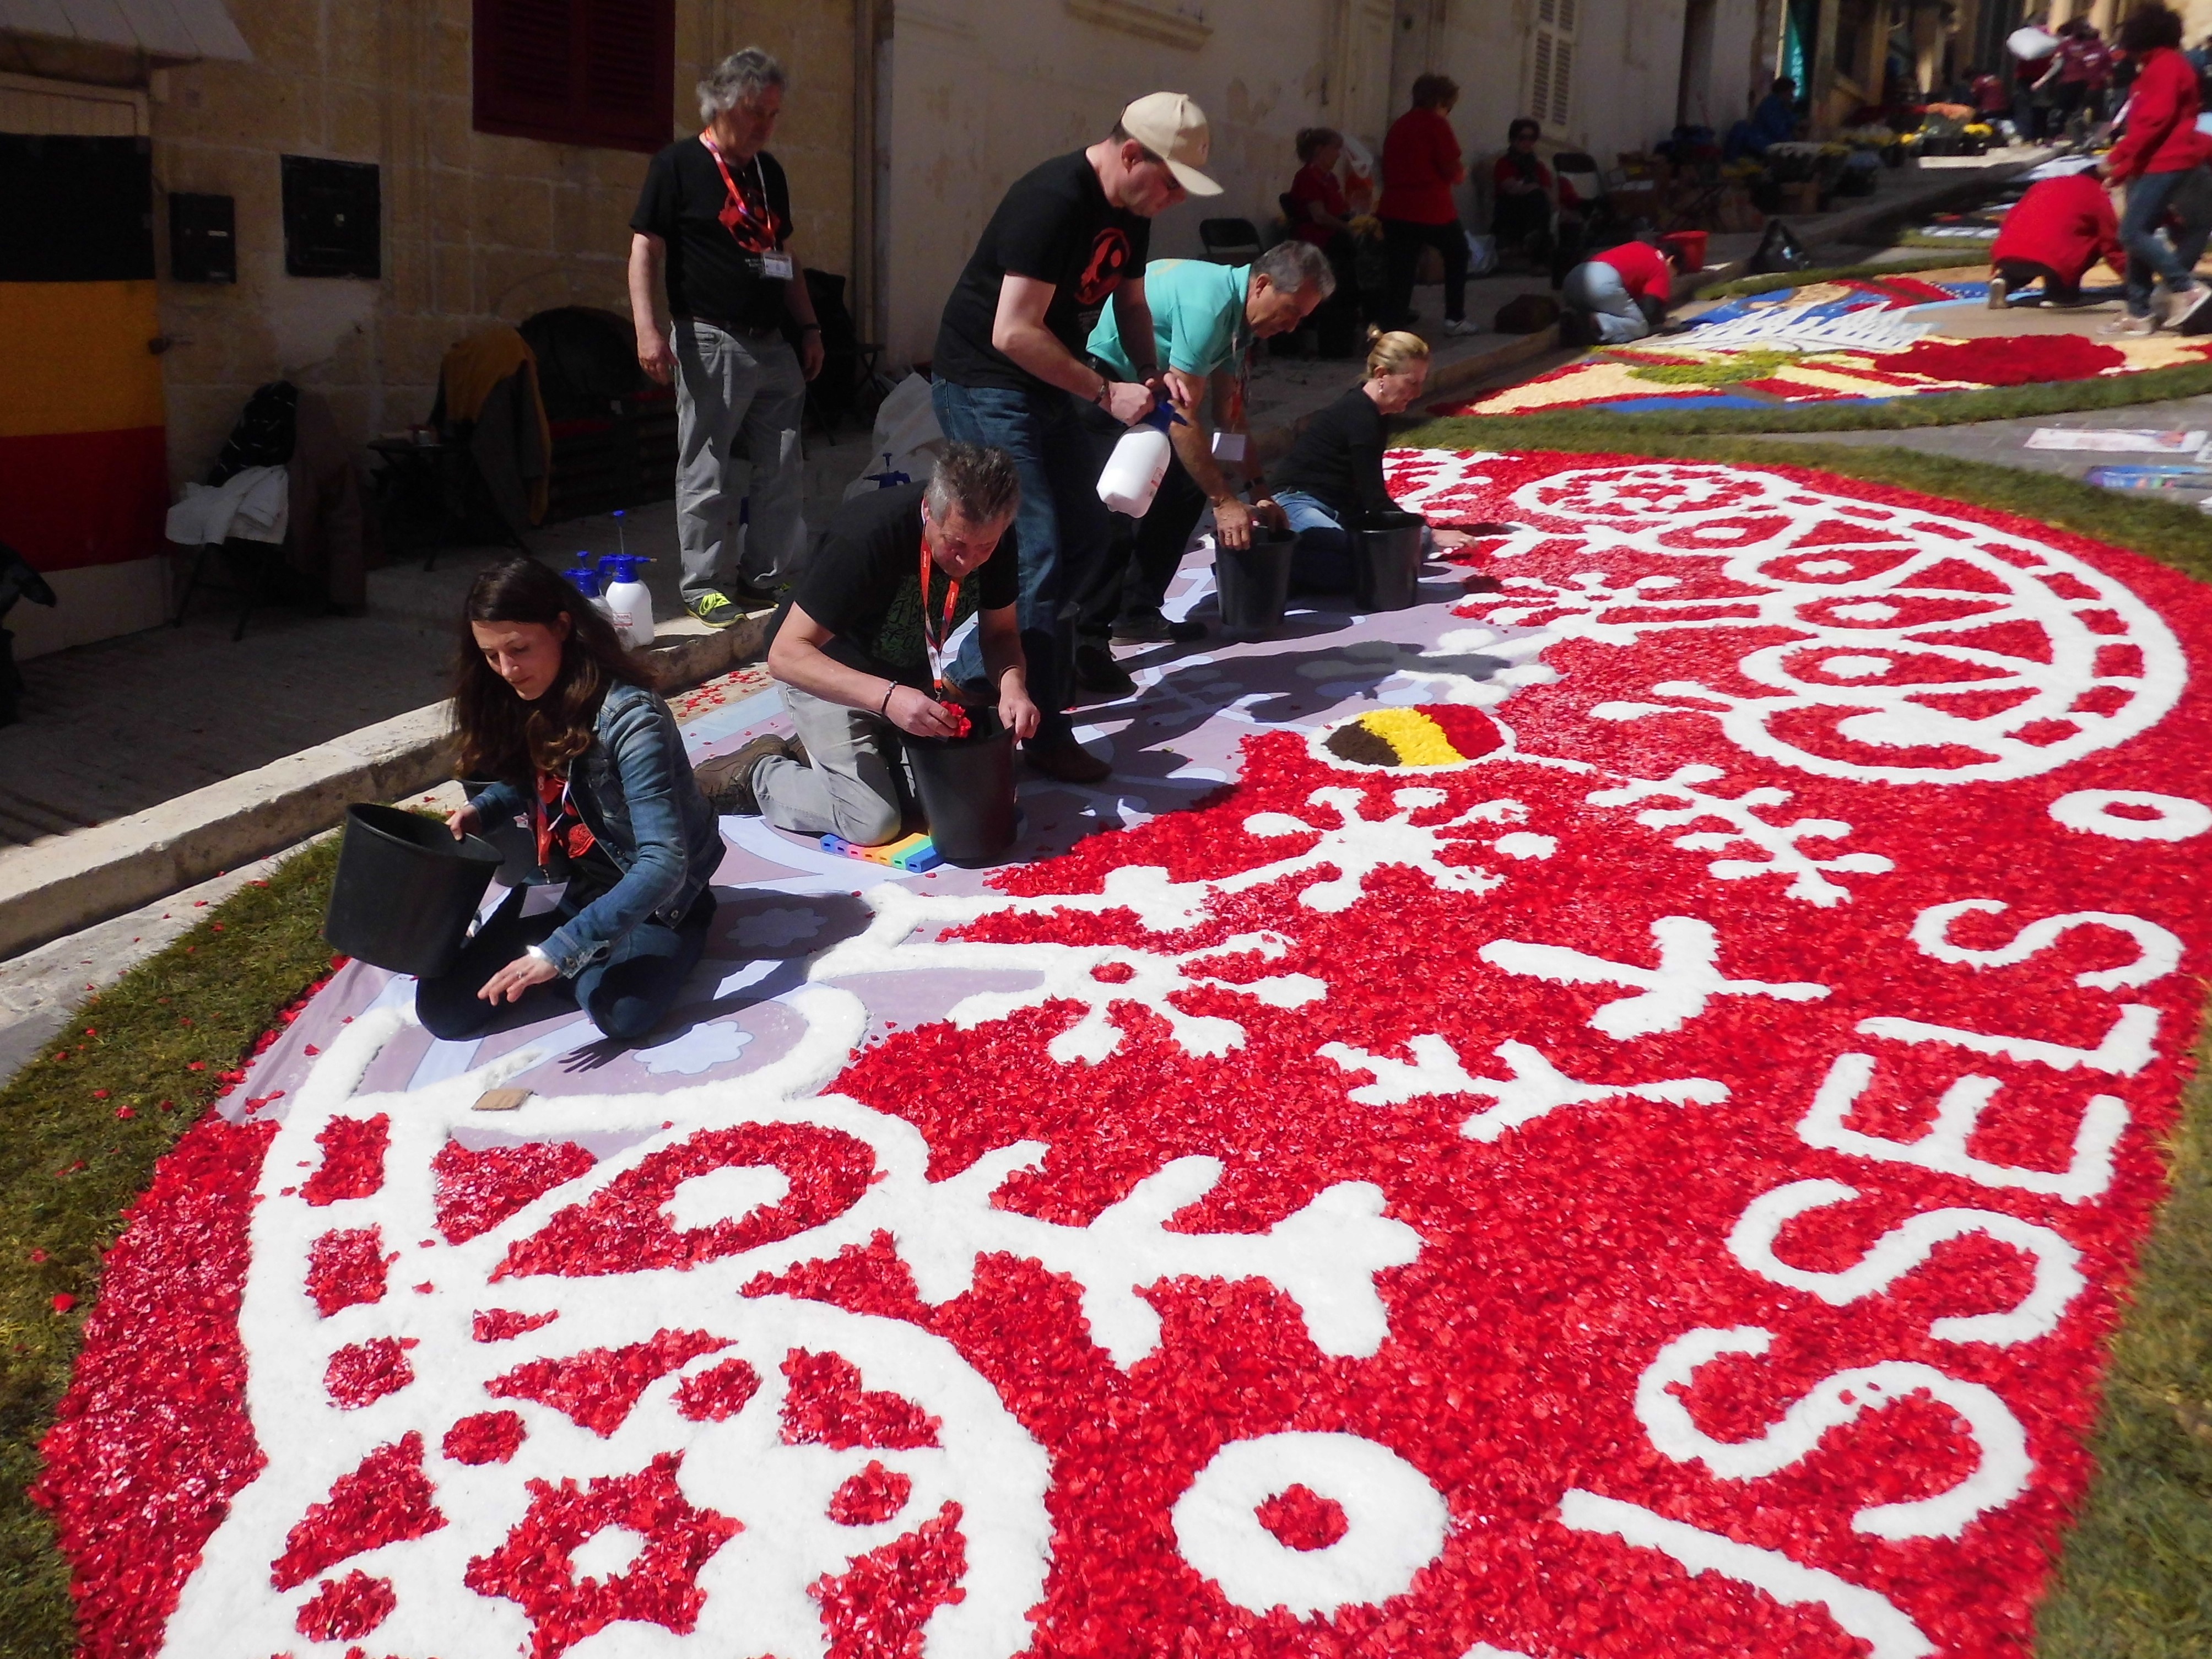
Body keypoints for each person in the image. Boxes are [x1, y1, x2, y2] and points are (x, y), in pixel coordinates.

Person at [931, 93, 1218, 785]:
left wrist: (1150, 371)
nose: (1175, 199)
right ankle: (1043, 727)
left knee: (1089, 533)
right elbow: (1012, 331)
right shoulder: (1052, 198)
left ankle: (982, 676)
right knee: (1040, 550)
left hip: (1047, 384)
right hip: (986, 383)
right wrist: (1100, 389)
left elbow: (1131, 299)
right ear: (1130, 155)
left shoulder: (1130, 206)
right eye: (1171, 182)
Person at [421, 561, 725, 1044]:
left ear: (562, 627)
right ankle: (578, 955)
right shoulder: (525, 693)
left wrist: (560, 952)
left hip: (651, 897)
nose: (507, 670)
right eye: (491, 655)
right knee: (444, 1011)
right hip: (567, 883)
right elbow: (543, 781)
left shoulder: (631, 716)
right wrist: (486, 809)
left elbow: (663, 863)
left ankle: (625, 945)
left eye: (519, 649)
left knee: (623, 1013)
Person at [715, 444, 1039, 847]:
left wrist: (1013, 687)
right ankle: (757, 773)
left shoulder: (996, 538)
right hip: (826, 676)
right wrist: (888, 698)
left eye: (984, 548)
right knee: (872, 820)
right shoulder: (867, 533)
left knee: (954, 792)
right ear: (929, 511)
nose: (967, 562)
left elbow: (1000, 635)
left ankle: (829, 753)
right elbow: (785, 654)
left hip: (904, 685)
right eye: (956, 544)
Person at [1073, 240, 1334, 678]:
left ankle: (1136, 610)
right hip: (1106, 390)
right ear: (1263, 285)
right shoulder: (1210, 307)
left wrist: (1256, 489)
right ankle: (1086, 643)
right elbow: (1181, 416)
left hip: (1151, 397)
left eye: (1301, 319)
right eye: (1290, 311)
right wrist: (1224, 501)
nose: (1291, 327)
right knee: (1115, 511)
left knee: (1186, 486)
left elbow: (1227, 417)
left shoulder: (1238, 322)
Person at [629, 49, 824, 629]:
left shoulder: (769, 173)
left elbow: (784, 255)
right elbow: (645, 249)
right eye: (753, 112)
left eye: (772, 113)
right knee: (707, 466)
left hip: (772, 341)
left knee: (782, 463)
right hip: (710, 337)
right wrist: (647, 329)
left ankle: (767, 572)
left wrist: (808, 326)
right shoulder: (678, 165)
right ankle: (704, 582)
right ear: (719, 104)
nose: (764, 125)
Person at [1267, 329, 1432, 592]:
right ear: (1381, 375)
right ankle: (1269, 564)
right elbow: (1374, 499)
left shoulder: (1377, 412)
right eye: (1411, 382)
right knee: (1369, 564)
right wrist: (1431, 532)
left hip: (1340, 509)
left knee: (1411, 543)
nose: (1418, 392)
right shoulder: (1361, 415)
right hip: (1297, 502)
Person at [2100, 3, 2212, 335]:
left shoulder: (2164, 67)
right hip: (2157, 160)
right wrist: (2122, 170)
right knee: (2142, 233)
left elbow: (2154, 121)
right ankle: (2139, 311)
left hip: (2166, 160)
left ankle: (2184, 286)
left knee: (2132, 233)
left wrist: (2119, 155)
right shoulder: (2158, 67)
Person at [1379, 74, 1477, 334]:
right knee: (1457, 252)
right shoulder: (1436, 125)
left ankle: (1392, 325)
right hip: (1430, 208)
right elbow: (1451, 170)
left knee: (1401, 268)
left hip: (1394, 207)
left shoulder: (1399, 125)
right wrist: (1462, 174)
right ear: (1442, 100)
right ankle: (1454, 317)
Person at [1987, 169, 2123, 306]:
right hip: (2053, 258)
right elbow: (2110, 242)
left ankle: (2004, 280)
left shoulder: (2044, 185)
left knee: (2030, 258)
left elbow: (2010, 218)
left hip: (2007, 252)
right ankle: (2059, 293)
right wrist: (2132, 278)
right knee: (2092, 239)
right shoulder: (2097, 193)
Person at [1558, 233, 1680, 345]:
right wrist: (1666, 323)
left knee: (1620, 318)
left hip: (1573, 279)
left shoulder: (1639, 247)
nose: (1670, 280)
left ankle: (1578, 317)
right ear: (1671, 260)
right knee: (1640, 326)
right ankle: (1589, 322)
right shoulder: (1660, 264)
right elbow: (1650, 311)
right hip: (1601, 283)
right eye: (1673, 275)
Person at [1491, 117, 1558, 255]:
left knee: (1540, 200)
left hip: (1535, 211)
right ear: (1513, 139)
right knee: (1537, 197)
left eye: (1532, 138)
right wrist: (1533, 188)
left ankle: (1535, 239)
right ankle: (1533, 240)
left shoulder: (1538, 167)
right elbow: (1511, 188)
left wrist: (1533, 188)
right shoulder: (1504, 163)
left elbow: (1551, 197)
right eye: (1523, 138)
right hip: (1511, 210)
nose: (1527, 143)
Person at [1724, 76, 1799, 160]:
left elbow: (1791, 120)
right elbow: (1777, 129)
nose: (1792, 96)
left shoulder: (1782, 106)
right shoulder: (1771, 106)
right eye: (1791, 92)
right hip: (1763, 143)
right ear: (1783, 92)